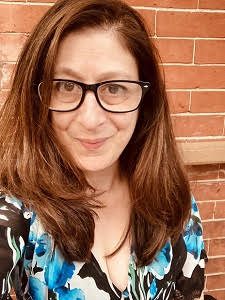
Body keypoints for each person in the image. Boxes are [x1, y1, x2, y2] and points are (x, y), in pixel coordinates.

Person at [0, 0, 207, 299]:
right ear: (37, 97)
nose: (91, 119)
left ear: (145, 101)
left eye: (114, 88)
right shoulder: (14, 217)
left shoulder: (175, 206)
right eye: (66, 86)